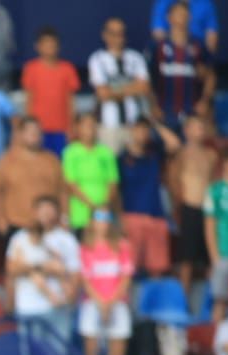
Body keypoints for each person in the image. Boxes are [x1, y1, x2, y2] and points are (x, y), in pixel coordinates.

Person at [77, 211, 135, 355]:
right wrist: (100, 303)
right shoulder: (85, 248)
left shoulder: (122, 246)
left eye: (106, 220)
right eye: (98, 220)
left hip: (117, 305)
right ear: (92, 223)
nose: (102, 224)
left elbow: (126, 278)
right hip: (92, 305)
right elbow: (85, 280)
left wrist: (110, 303)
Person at [7, 195, 80, 340]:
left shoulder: (67, 239)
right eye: (42, 209)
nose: (46, 213)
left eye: (50, 209)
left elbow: (74, 272)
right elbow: (11, 270)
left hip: (59, 307)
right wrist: (42, 267)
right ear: (34, 212)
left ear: (57, 212)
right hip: (28, 307)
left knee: (58, 354)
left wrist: (70, 296)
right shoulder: (19, 238)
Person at [118, 118, 179, 277]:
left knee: (157, 268)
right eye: (138, 129)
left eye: (145, 130)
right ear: (131, 131)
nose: (141, 133)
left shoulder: (154, 154)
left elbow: (174, 143)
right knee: (130, 268)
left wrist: (155, 124)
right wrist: (120, 219)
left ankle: (155, 300)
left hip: (156, 216)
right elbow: (115, 191)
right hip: (132, 216)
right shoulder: (121, 158)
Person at [0, 117, 65, 239]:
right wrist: (0, 219)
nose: (34, 135)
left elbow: (62, 191)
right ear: (20, 134)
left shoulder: (51, 160)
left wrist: (64, 218)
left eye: (37, 132)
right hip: (16, 223)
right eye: (30, 132)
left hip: (47, 225)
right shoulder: (6, 160)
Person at [169, 115, 216, 297]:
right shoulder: (181, 154)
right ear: (186, 131)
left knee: (210, 258)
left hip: (207, 211)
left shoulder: (210, 155)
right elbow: (173, 180)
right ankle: (183, 299)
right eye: (196, 127)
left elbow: (212, 182)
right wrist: (178, 205)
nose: (200, 131)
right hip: (189, 208)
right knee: (186, 259)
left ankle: (210, 298)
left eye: (202, 127)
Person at [89, 19, 152, 154]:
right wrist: (132, 87)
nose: (117, 37)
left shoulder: (136, 57)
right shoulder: (97, 59)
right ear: (105, 35)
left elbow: (144, 88)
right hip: (109, 126)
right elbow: (103, 94)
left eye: (120, 33)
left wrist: (113, 90)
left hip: (134, 126)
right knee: (111, 170)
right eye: (113, 33)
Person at [150, 1, 212, 133]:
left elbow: (210, 75)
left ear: (190, 17)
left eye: (185, 14)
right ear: (169, 17)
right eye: (178, 14)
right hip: (165, 112)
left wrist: (204, 101)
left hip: (191, 112)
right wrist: (153, 105)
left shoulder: (198, 46)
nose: (181, 17)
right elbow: (148, 79)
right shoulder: (158, 48)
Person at [21, 27, 80, 156]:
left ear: (58, 46)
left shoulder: (67, 69)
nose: (49, 47)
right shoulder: (30, 68)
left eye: (52, 44)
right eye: (46, 44)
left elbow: (71, 100)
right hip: (39, 129)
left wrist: (72, 127)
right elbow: (29, 100)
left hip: (62, 129)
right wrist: (27, 128)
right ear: (38, 46)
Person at [62, 112, 119, 233]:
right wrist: (92, 206)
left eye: (93, 125)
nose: (90, 128)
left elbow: (113, 182)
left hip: (103, 216)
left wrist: (103, 205)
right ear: (78, 128)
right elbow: (71, 184)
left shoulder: (106, 152)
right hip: (80, 216)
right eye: (86, 125)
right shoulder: (70, 152)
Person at [205, 151, 228, 321]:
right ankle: (217, 343)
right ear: (227, 164)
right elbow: (209, 225)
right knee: (220, 300)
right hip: (224, 254)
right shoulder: (215, 191)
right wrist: (215, 257)